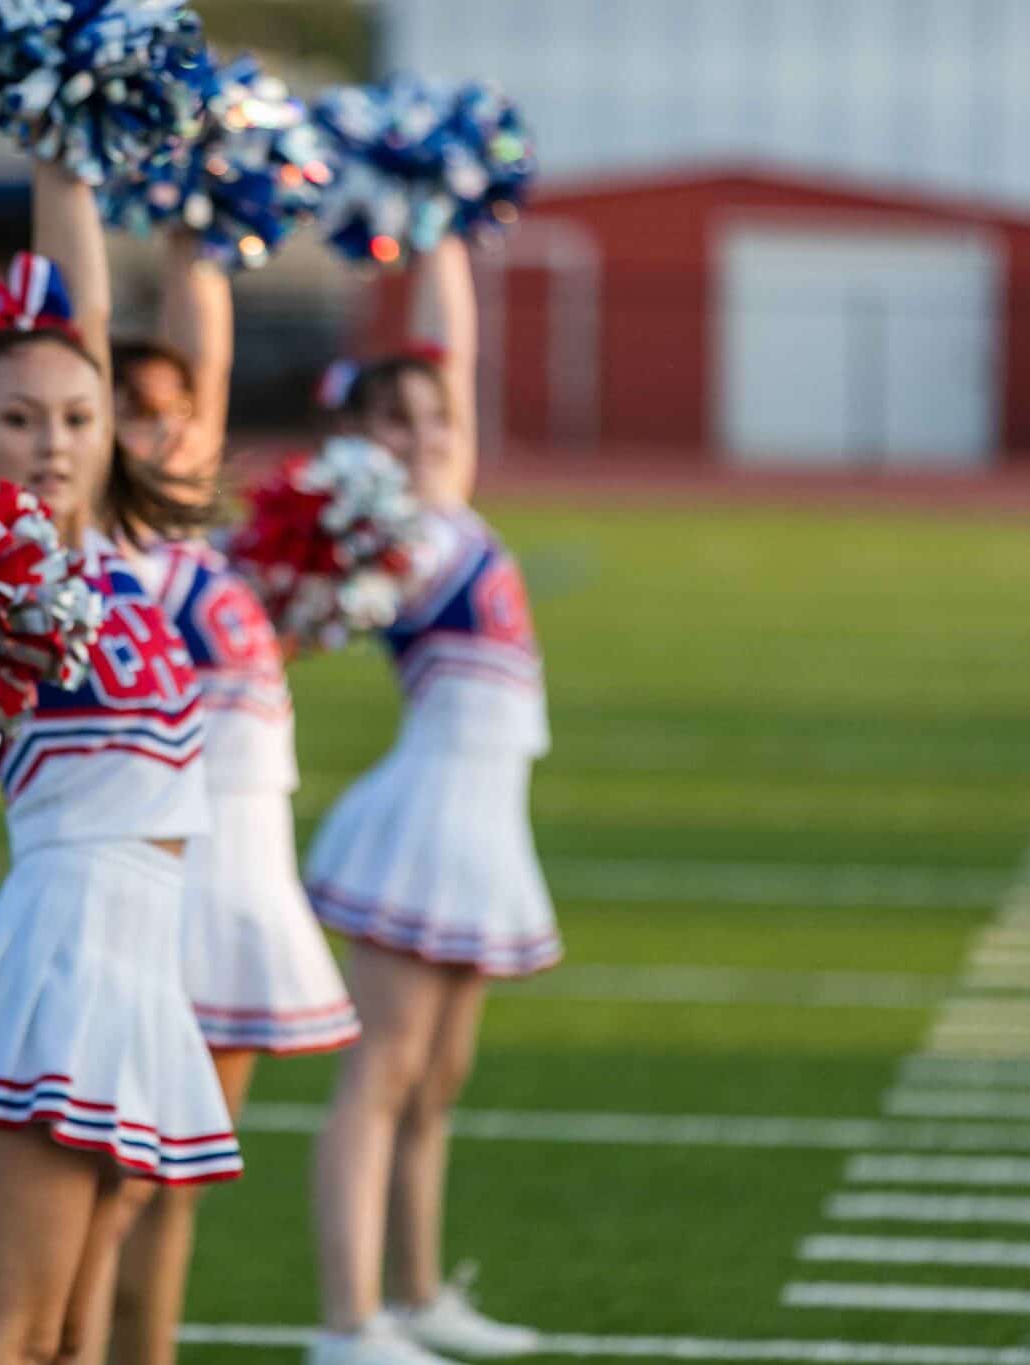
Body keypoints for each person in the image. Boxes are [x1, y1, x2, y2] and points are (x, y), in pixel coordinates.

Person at [0, 164, 240, 1365]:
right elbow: (66, 337)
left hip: (142, 960)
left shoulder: (126, 555)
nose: (51, 443)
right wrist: (56, 157)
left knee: (75, 1341)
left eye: (77, 420)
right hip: (61, 960)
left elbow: (84, 338)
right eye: (18, 421)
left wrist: (72, 144)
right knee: (8, 1340)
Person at [105, 233, 360, 1365]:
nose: (165, 427)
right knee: (114, 1191)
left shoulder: (200, 556)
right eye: (131, 411)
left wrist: (195, 227)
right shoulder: (102, 559)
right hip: (164, 901)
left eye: (175, 411)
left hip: (244, 898)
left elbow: (198, 374)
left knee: (176, 1191)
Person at [302, 239, 557, 1365]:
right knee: (382, 1079)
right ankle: (348, 1323)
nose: (422, 434)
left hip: (485, 828)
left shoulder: (445, 508)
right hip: (423, 828)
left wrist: (447, 228)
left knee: (436, 1083)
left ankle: (414, 1297)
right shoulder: (390, 540)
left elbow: (452, 354)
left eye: (432, 418)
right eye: (390, 422)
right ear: (356, 446)